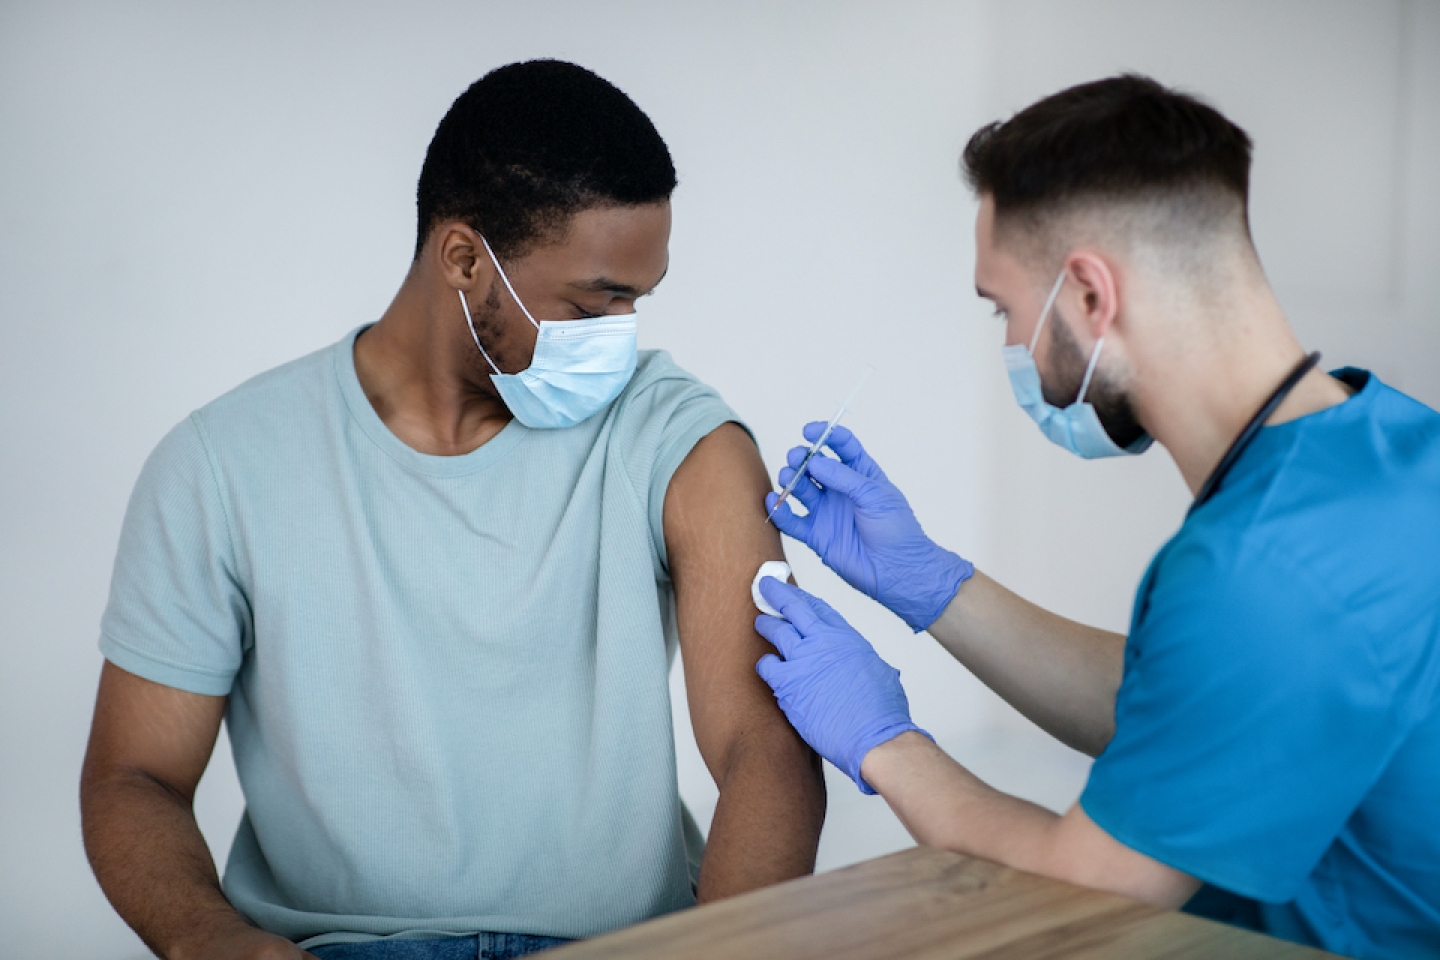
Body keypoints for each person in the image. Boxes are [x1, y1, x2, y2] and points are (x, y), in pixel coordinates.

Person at [80, 60, 824, 960]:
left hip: (624, 947)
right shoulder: (219, 467)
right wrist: (213, 942)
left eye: (637, 299)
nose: (622, 334)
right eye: (596, 302)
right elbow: (135, 777)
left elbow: (768, 752)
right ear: (466, 260)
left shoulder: (679, 441)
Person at [753, 75, 1440, 959]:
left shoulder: (1261, 570)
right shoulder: (1391, 442)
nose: (1008, 346)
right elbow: (1196, 703)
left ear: (1088, 294)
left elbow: (1090, 892)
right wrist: (928, 581)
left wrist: (885, 742)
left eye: (1004, 308)